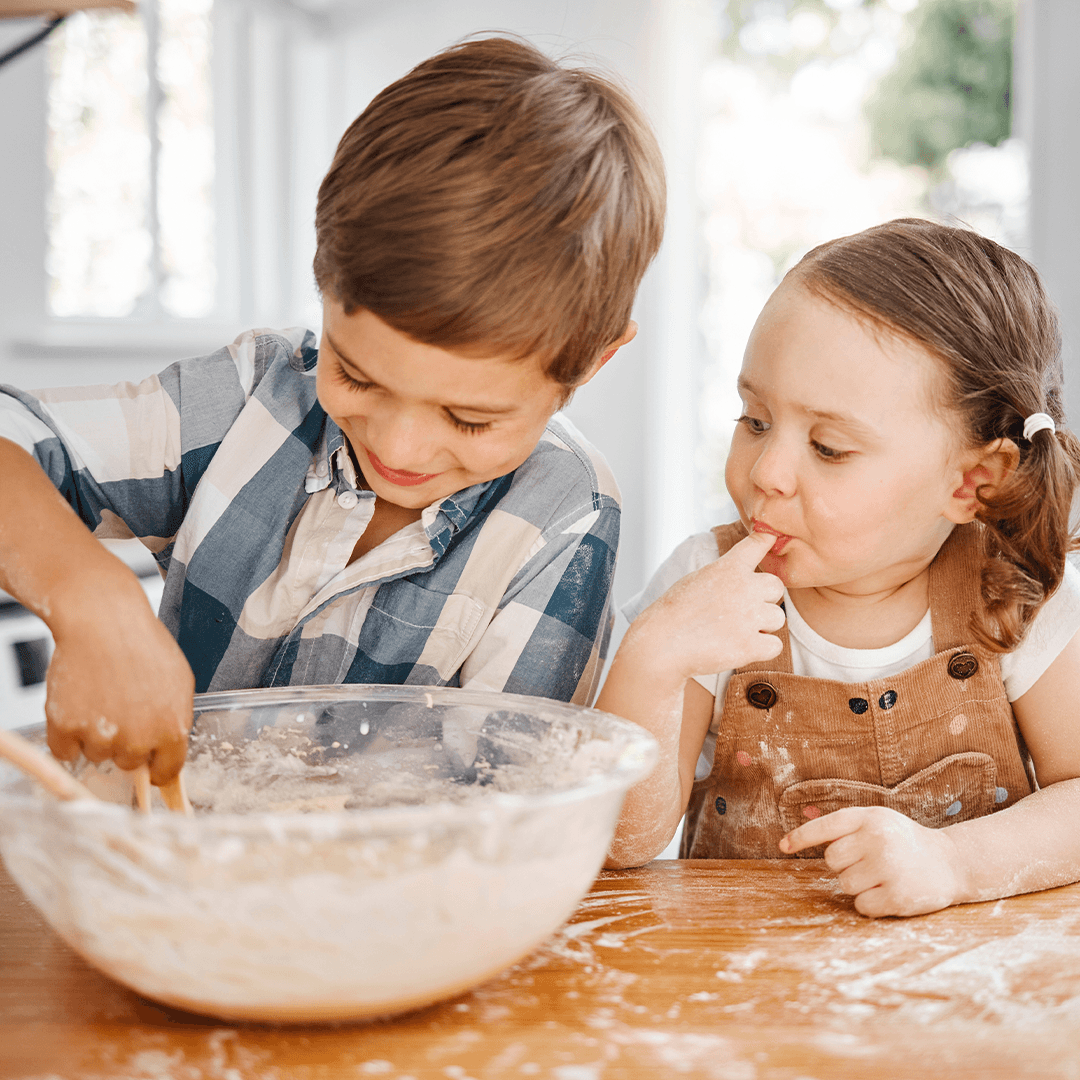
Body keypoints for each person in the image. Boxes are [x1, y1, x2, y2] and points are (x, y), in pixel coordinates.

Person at [0, 36, 665, 786]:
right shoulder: (258, 396)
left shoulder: (566, 518)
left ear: (592, 363)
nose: (402, 445)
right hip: (149, 870)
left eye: (469, 420)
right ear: (323, 281)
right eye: (356, 375)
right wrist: (93, 599)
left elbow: (502, 814)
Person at [598, 218, 1080, 918]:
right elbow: (625, 842)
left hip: (963, 988)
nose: (767, 472)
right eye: (755, 420)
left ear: (973, 481)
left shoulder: (1021, 593)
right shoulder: (704, 582)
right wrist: (651, 658)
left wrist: (953, 864)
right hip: (740, 985)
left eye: (828, 447)